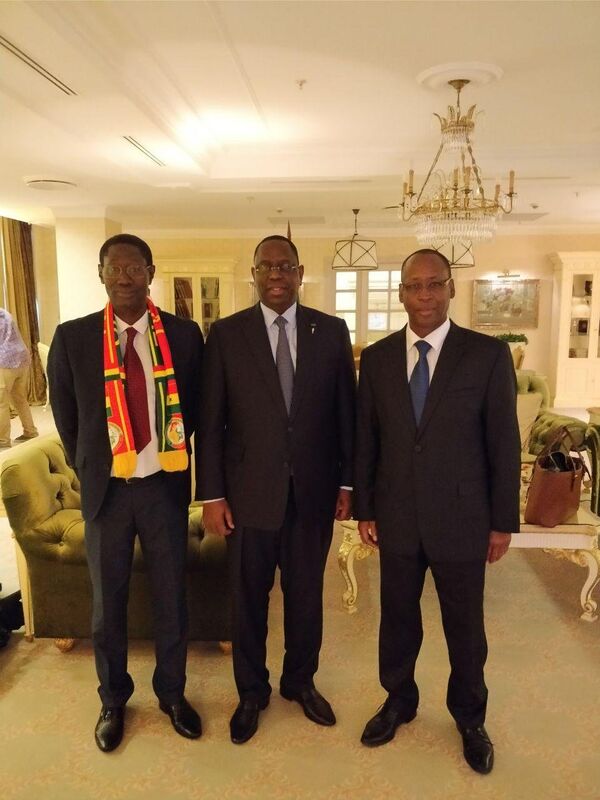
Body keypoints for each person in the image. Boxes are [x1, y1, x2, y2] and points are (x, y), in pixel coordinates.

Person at [355, 248, 520, 774]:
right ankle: (398, 700)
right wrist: (365, 508)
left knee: (465, 627)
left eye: (434, 284)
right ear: (401, 293)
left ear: (450, 288)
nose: (424, 295)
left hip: (463, 517)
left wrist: (502, 521)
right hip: (397, 516)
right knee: (397, 620)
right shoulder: (378, 359)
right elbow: (367, 440)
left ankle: (470, 717)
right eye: (413, 285)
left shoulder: (487, 355)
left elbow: (504, 441)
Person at [48, 233, 203, 752]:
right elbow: (67, 420)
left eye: (134, 268)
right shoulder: (73, 338)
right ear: (101, 274)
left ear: (150, 273)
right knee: (106, 606)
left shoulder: (184, 335)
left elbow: (196, 407)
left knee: (172, 598)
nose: (124, 277)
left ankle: (173, 694)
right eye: (114, 268)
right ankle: (113, 699)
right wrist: (95, 466)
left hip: (163, 489)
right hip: (107, 494)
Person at [198, 235, 356, 744]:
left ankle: (300, 682)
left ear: (300, 272)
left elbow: (345, 414)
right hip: (247, 496)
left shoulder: (330, 331)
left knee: (306, 597)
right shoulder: (226, 334)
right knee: (248, 600)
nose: (276, 275)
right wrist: (212, 495)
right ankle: (251, 691)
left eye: (285, 266)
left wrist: (347, 481)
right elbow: (211, 421)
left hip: (313, 493)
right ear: (254, 273)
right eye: (266, 266)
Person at [0, 308, 38, 449]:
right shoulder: (4, 313)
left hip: (5, 361)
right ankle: (30, 431)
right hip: (22, 358)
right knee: (20, 398)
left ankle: (2, 441)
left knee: (1, 403)